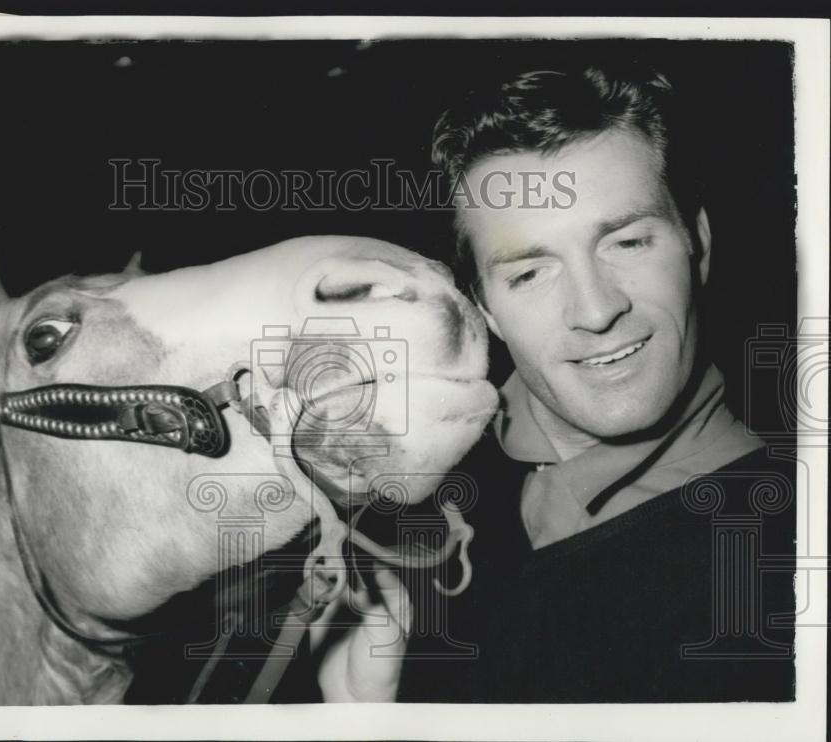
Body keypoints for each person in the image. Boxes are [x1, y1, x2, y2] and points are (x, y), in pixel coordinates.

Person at [321, 61, 796, 703]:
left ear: (697, 243)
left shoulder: (778, 571)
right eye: (529, 273)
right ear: (482, 305)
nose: (596, 311)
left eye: (627, 243)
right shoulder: (405, 490)